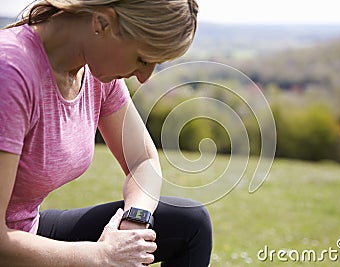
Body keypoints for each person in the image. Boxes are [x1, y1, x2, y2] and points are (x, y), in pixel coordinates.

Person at [0, 0, 212, 266]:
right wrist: (101, 256)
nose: (145, 77)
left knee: (191, 225)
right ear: (102, 22)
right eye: (143, 59)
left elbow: (142, 160)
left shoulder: (93, 74)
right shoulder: (10, 71)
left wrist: (134, 221)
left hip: (28, 231)